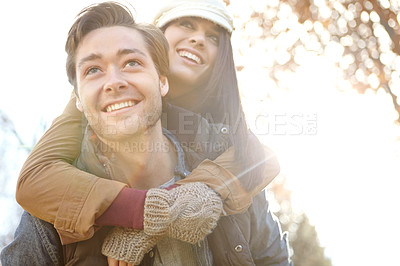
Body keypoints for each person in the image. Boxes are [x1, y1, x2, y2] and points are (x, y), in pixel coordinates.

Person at [14, 0, 280, 246]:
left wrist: (154, 225)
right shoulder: (91, 104)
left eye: (213, 37)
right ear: (157, 35)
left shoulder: (218, 123)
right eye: (186, 24)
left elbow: (260, 161)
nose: (198, 39)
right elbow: (35, 180)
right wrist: (145, 211)